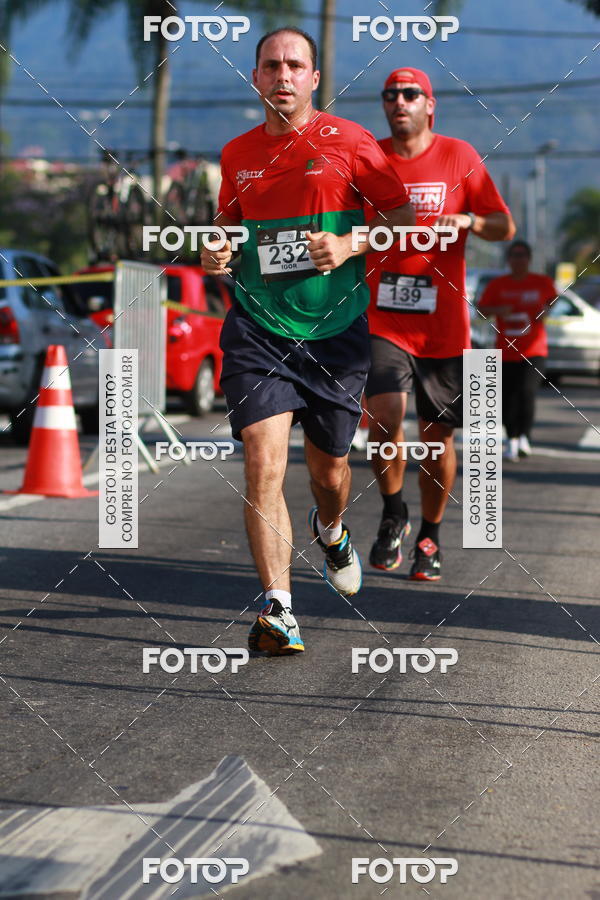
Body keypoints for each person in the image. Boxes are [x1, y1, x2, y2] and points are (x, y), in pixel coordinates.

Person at [201, 29, 414, 655]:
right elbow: (227, 228)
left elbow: (402, 218)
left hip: (335, 333)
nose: (283, 76)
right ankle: (279, 609)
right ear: (256, 77)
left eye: (295, 65)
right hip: (258, 328)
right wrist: (217, 249)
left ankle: (332, 527)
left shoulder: (349, 141)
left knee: (330, 471)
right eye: (272, 66)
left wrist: (352, 243)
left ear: (314, 78)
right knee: (263, 463)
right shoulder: (237, 153)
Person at [365, 67, 515, 580]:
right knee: (384, 416)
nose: (399, 102)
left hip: (442, 325)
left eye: (410, 95)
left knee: (435, 438)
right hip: (382, 316)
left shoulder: (460, 156)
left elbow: (503, 225)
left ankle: (429, 533)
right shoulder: (371, 158)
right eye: (391, 95)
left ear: (431, 105)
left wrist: (471, 220)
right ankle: (392, 513)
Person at [477, 240, 556, 461]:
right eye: (514, 255)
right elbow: (481, 311)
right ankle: (511, 438)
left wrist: (547, 310)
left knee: (526, 391)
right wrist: (498, 310)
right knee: (507, 397)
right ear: (508, 259)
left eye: (522, 255)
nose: (518, 259)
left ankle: (524, 437)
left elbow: (554, 299)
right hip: (505, 350)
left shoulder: (541, 282)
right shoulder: (497, 285)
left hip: (534, 350)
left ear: (528, 259)